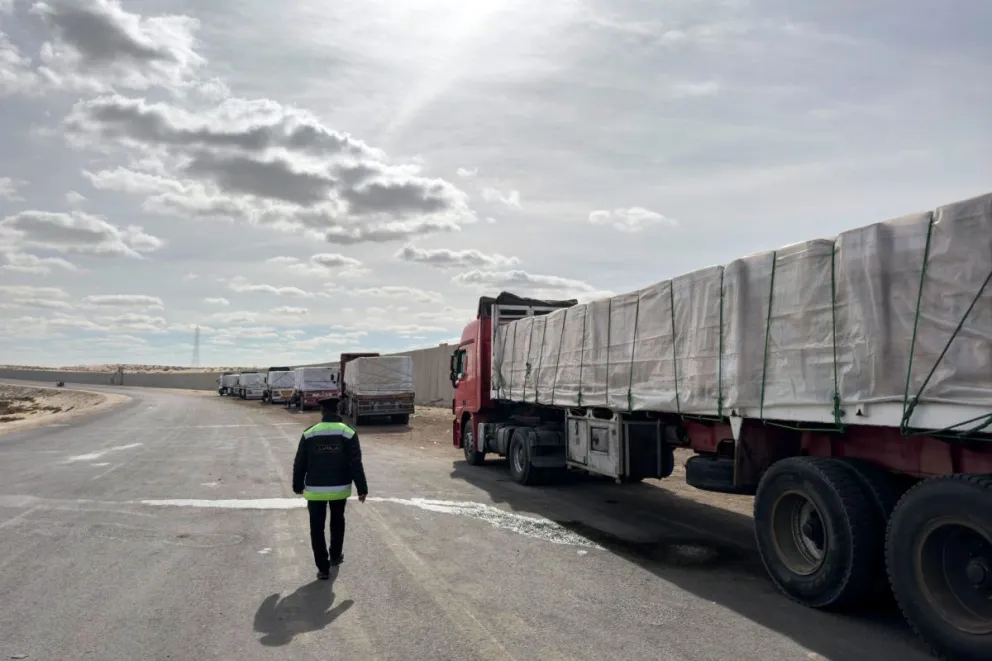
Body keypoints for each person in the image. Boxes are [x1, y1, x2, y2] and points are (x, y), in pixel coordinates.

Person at [292, 396, 368, 579]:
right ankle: (335, 555)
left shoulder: (310, 433)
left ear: (322, 412)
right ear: (338, 411)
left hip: (315, 490)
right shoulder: (347, 432)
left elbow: (300, 462)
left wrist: (297, 485)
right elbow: (355, 463)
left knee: (316, 528)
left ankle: (323, 568)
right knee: (337, 521)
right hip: (339, 488)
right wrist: (362, 488)